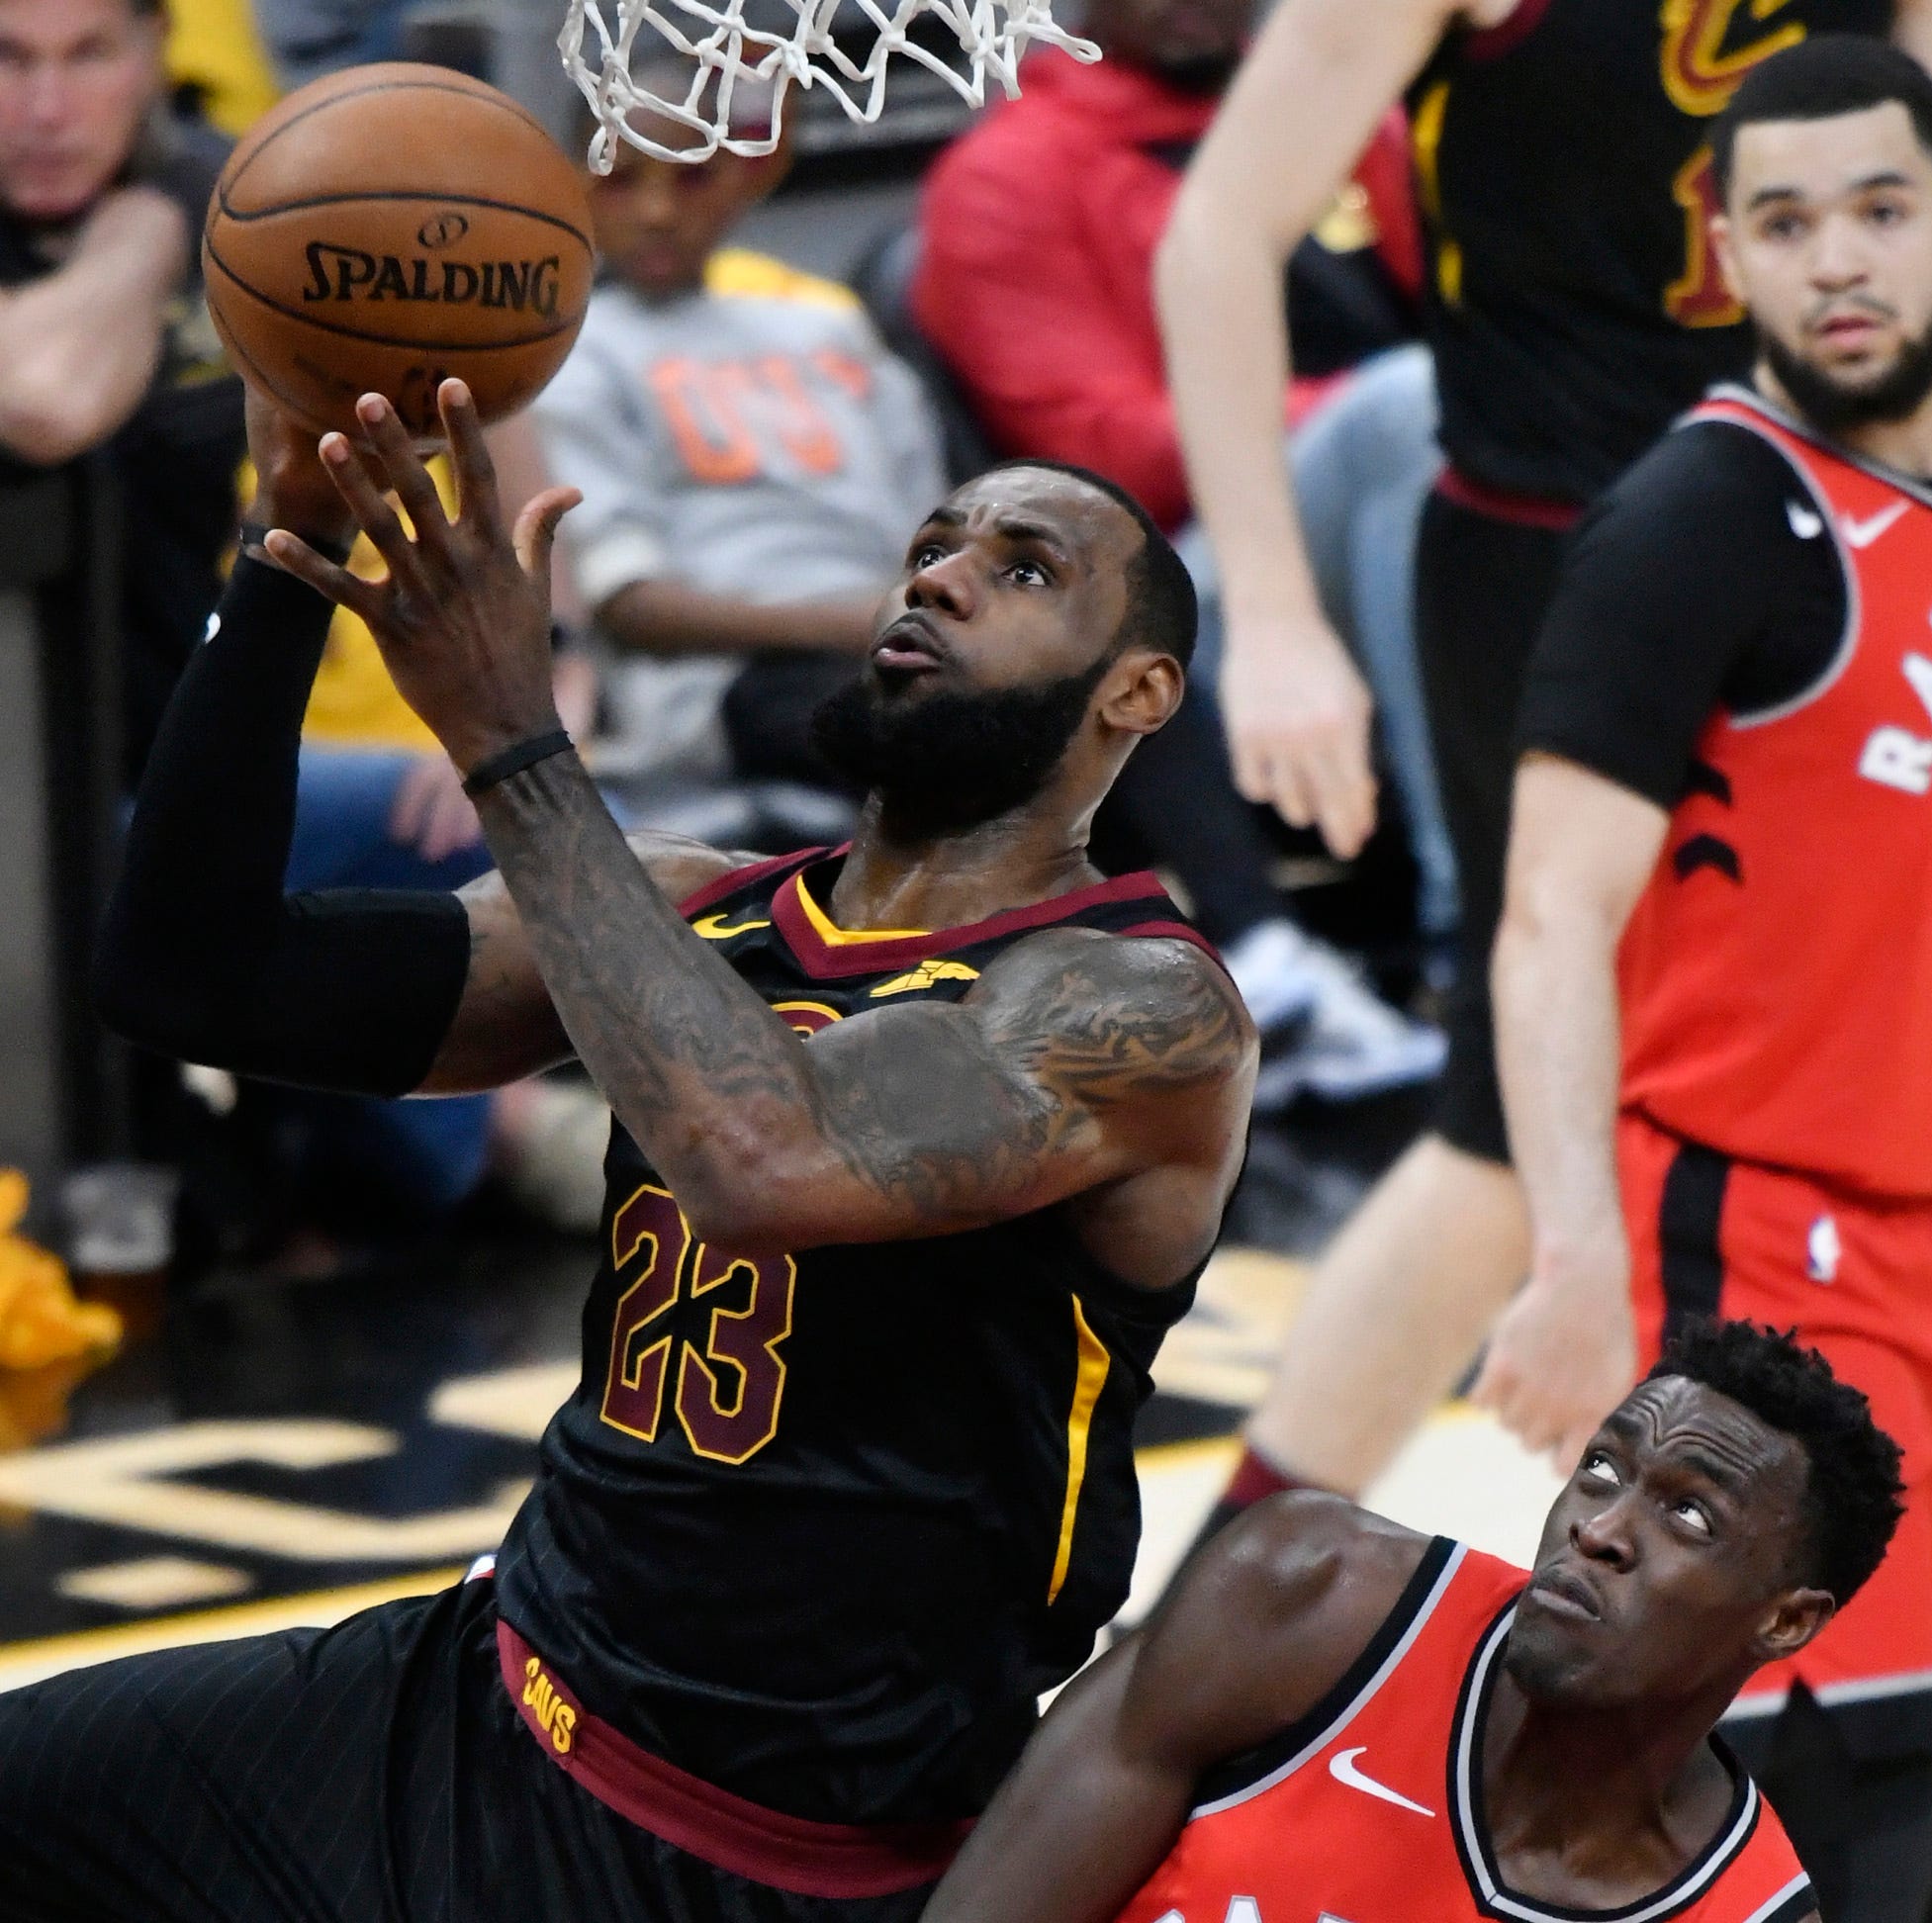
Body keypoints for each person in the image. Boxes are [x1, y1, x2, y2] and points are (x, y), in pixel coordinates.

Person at [23, 378, 1257, 1921]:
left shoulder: (1137, 1002)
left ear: (1136, 694)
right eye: (931, 543)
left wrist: (508, 736)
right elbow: (188, 975)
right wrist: (289, 549)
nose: (936, 573)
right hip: (484, 1702)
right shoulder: (695, 904)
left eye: (1021, 568)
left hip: (763, 1860)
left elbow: (760, 1163)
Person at [1155, 0, 1932, 1686]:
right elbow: (1217, 233)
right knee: (1549, 1127)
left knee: (1843, 1110)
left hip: (1844, 532)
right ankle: (1237, 1644)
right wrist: (1279, 619)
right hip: (1568, 556)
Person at [1489, 41, 1932, 1920]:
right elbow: (1547, 915)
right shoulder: (1700, 521)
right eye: (1782, 223)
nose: (1838, 259)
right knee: (1825, 1799)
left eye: (1878, 209)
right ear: (1725, 255)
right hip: (1750, 1232)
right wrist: (1566, 1257)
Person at [920, 1319, 1905, 1923]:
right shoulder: (1311, 1597)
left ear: (1785, 1619)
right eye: (1601, 1470)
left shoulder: (1742, 1913)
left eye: (1688, 1514)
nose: (1600, 1529)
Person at [915, 0, 1451, 1099]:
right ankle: (1472, 931)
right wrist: (1353, 409)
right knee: (1415, 408)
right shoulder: (1009, 172)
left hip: (1414, 512)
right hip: (1183, 596)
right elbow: (1087, 450)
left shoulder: (1356, 107)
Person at [536, 70, 950, 818]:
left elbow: (941, 532)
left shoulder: (827, 327)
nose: (659, 211)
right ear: (574, 185)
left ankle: (1229, 924)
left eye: (693, 178)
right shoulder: (569, 356)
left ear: (739, 178)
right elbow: (631, 607)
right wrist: (861, 624)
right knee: (932, 728)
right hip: (730, 684)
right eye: (622, 179)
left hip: (905, 636)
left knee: (1113, 696)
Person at [0, 0, 242, 779]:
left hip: (199, 752)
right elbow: (49, 401)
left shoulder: (243, 190)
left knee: (544, 841)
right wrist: (143, 236)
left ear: (153, 49)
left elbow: (465, 372)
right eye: (7, 58)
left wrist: (557, 652)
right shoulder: (166, 212)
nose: (46, 110)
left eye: (89, 55)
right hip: (32, 788)